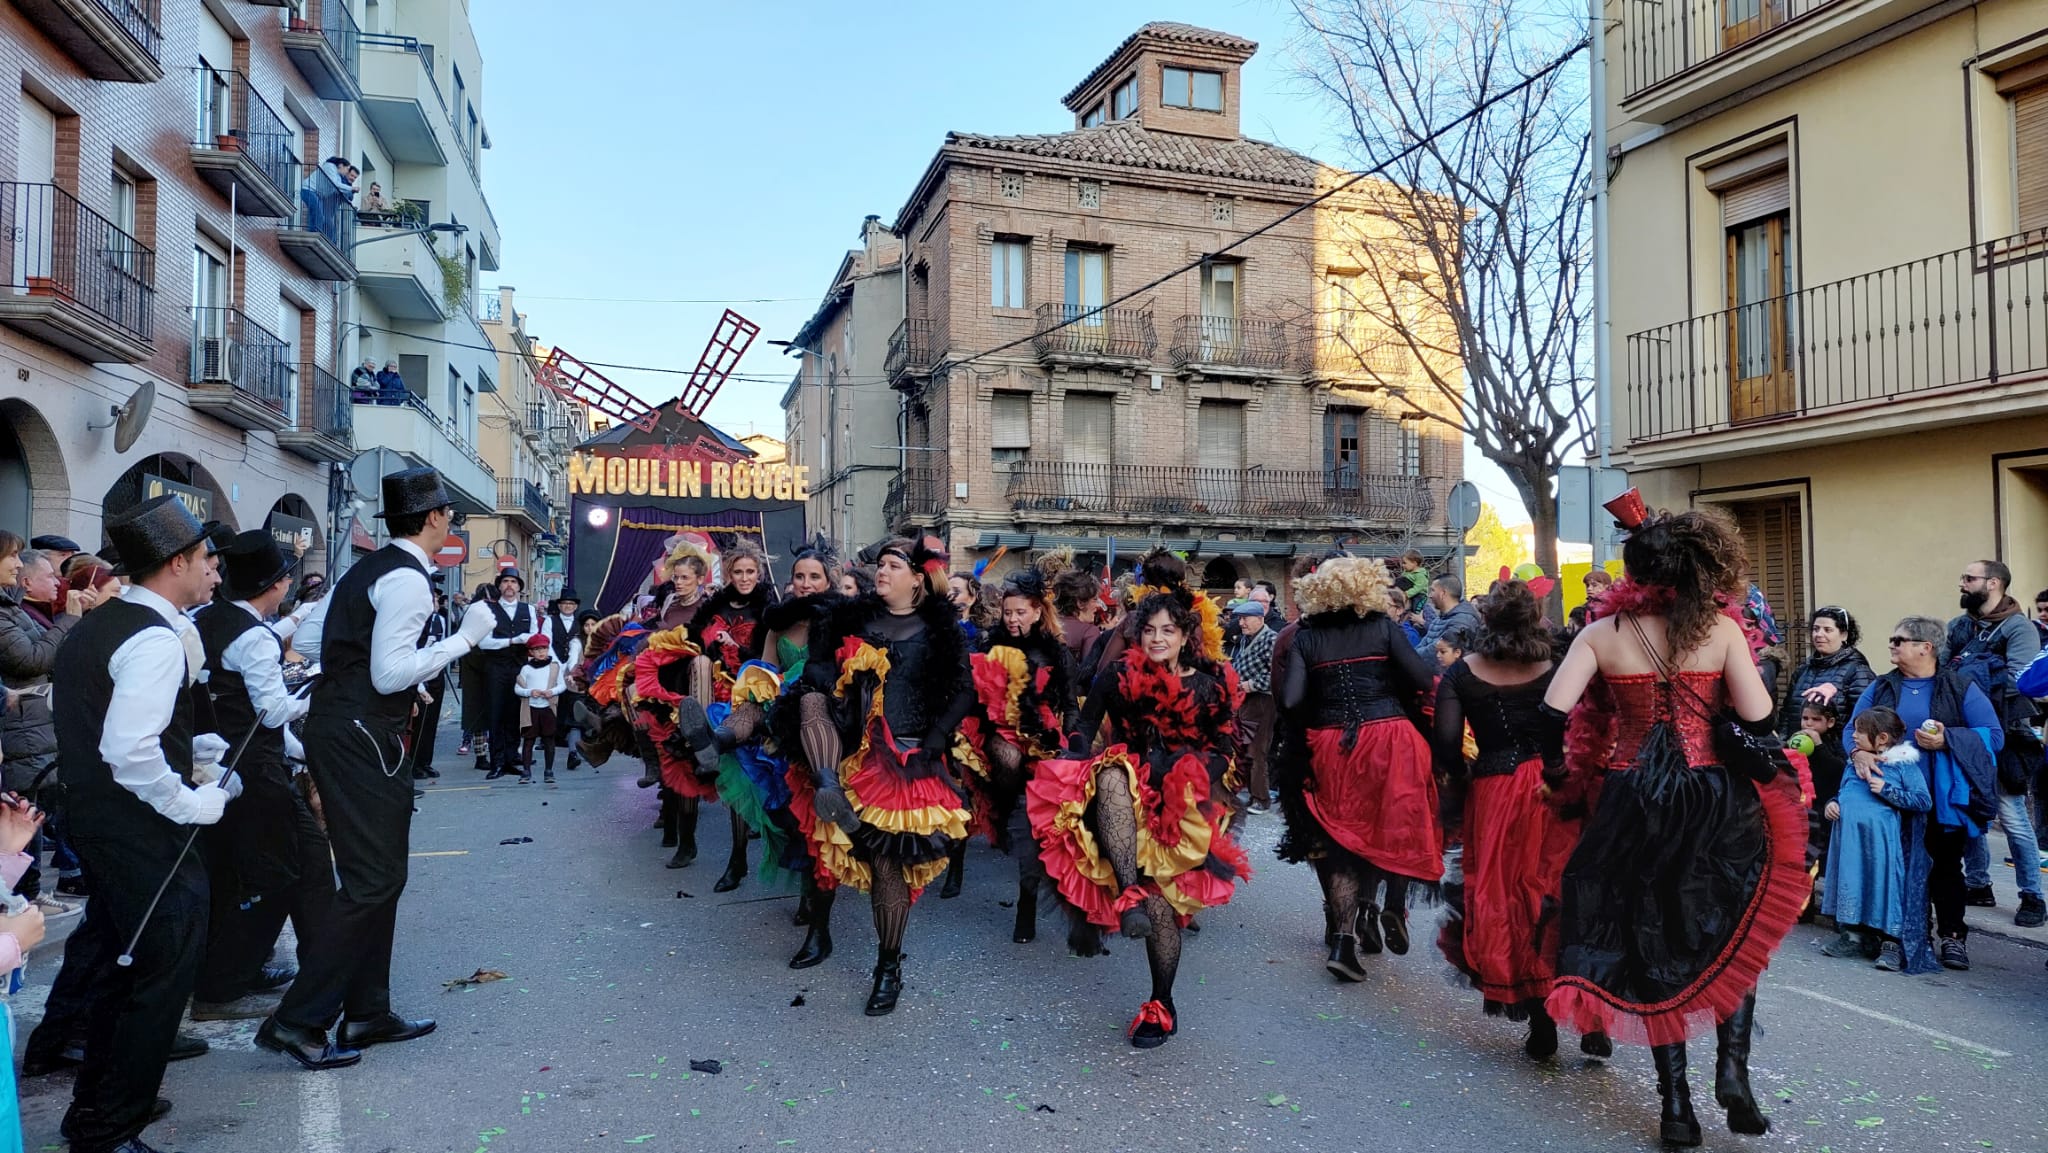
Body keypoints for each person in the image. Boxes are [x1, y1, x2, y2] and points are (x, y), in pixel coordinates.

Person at [1539, 499, 1808, 1146]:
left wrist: (1565, 766)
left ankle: (1677, 1107)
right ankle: (1733, 1073)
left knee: (1651, 939)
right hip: (1716, 797)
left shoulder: (1600, 634)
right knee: (1731, 934)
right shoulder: (1719, 631)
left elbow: (1550, 711)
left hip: (1633, 800)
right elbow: (1761, 716)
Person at [258, 468, 496, 1071]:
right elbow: (390, 673)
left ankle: (367, 1010)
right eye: (449, 514)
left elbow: (315, 643)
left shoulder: (365, 571)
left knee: (377, 877)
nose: (451, 522)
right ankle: (298, 1020)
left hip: (347, 727)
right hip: (364, 734)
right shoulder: (408, 580)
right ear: (436, 519)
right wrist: (464, 639)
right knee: (372, 880)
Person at [51, 496, 227, 1153]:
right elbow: (127, 751)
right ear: (176, 562)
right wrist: (189, 802)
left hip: (100, 817)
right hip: (137, 824)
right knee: (157, 973)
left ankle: (102, 1104)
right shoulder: (150, 636)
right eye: (206, 559)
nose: (213, 571)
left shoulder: (104, 624)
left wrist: (197, 758)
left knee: (124, 970)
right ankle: (106, 1126)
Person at [1030, 587, 1249, 1048]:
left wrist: (1191, 782)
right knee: (1110, 771)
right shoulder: (1116, 674)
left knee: (1163, 905)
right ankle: (1127, 891)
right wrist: (1071, 751)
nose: (1156, 638)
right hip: (1121, 798)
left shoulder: (1208, 683)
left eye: (1167, 630)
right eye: (1148, 630)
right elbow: (1087, 726)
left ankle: (1161, 1002)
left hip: (1182, 803)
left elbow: (1223, 748)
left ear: (1186, 633)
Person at [784, 536, 971, 1015]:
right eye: (880, 565)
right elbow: (818, 672)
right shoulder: (849, 616)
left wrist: (934, 742)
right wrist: (836, 680)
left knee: (888, 865)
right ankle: (819, 929)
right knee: (826, 842)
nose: (881, 572)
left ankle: (888, 968)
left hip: (901, 757)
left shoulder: (938, 630)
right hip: (843, 745)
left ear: (917, 577)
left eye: (892, 565)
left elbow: (963, 692)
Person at [1432, 580, 1601, 1060]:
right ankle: (1591, 1018)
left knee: (1509, 900)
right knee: (1562, 895)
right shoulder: (1558, 666)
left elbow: (1445, 744)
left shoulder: (1463, 673)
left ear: (1485, 621)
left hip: (1493, 789)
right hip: (1554, 786)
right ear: (1535, 617)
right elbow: (1585, 726)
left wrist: (1466, 775)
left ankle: (1541, 1023)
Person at [1273, 557, 1438, 980]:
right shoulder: (1383, 628)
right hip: (1391, 738)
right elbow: (1421, 677)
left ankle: (1344, 940)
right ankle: (1391, 905)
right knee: (1395, 827)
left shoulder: (1307, 639)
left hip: (1332, 744)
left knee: (1342, 840)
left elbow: (1290, 701)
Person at [190, 531, 324, 1019]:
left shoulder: (203, 620)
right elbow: (270, 712)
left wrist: (301, 752)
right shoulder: (253, 638)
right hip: (253, 771)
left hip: (218, 762)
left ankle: (291, 967)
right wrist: (316, 692)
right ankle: (222, 986)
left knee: (249, 873)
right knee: (278, 874)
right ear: (277, 584)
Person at [1846, 616, 2001, 973]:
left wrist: (1949, 739)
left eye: (1899, 640)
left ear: (1925, 647)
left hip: (1944, 798)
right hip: (1891, 796)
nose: (1891, 645)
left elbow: (1994, 736)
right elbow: (1851, 731)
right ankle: (1897, 935)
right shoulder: (1882, 686)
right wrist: (1859, 752)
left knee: (1946, 868)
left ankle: (1952, 937)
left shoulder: (1960, 687)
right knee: (1896, 867)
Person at [954, 563, 1077, 943]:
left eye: (1020, 612)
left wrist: (1074, 740)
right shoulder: (991, 644)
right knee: (1008, 762)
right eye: (1007, 612)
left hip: (1042, 738)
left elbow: (1070, 704)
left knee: (1037, 820)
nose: (1012, 619)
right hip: (995, 736)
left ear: (1038, 611)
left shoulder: (1056, 653)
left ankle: (1027, 907)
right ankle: (1003, 811)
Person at [1947, 559, 2045, 928]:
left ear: (1993, 584)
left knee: (2013, 818)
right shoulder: (1960, 626)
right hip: (1964, 732)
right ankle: (1978, 883)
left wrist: (1976, 671)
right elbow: (1944, 671)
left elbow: (2022, 681)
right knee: (1969, 811)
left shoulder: (2019, 628)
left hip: (2006, 735)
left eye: (1968, 578)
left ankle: (2032, 896)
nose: (1961, 583)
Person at [0, 537, 95, 909]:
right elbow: (32, 659)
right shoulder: (8, 612)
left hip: (30, 727)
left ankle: (27, 894)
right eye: (9, 556)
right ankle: (20, 896)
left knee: (29, 809)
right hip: (20, 729)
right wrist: (69, 619)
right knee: (22, 808)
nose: (17, 564)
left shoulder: (14, 609)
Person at [689, 541, 773, 891]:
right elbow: (693, 638)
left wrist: (736, 646)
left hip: (757, 697)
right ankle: (737, 860)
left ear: (759, 573)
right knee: (736, 782)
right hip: (722, 699)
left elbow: (770, 656)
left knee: (768, 787)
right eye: (738, 572)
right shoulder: (714, 605)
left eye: (750, 572)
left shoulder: (770, 607)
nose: (744, 578)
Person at [1820, 706, 1931, 971]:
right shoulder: (1855, 762)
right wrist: (1833, 803)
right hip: (1849, 841)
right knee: (1852, 882)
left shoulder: (1903, 764)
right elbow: (1845, 789)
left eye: (1860, 731)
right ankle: (1854, 936)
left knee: (1883, 886)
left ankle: (1890, 943)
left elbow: (1922, 801)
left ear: (1881, 738)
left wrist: (1887, 790)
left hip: (1881, 844)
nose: (1854, 736)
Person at [469, 570, 540, 781]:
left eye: (513, 582)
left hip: (519, 667)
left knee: (515, 714)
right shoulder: (489, 609)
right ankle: (496, 761)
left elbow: (535, 637)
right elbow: (484, 642)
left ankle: (511, 758)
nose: (509, 585)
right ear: (499, 586)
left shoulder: (528, 609)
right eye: (506, 581)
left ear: (519, 587)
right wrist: (512, 640)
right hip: (496, 667)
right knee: (496, 714)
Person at [1776, 606, 1875, 737]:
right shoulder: (1803, 669)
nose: (1819, 634)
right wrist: (1783, 744)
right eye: (1815, 629)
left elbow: (1864, 718)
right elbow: (1787, 714)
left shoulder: (1857, 671)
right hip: (1798, 751)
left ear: (1844, 634)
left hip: (1836, 753)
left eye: (1827, 630)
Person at [1231, 599, 1277, 814]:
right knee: (1244, 748)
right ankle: (1251, 793)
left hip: (1262, 700)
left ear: (1260, 618)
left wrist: (1250, 684)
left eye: (1246, 618)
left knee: (1257, 749)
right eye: (1240, 618)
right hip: (1244, 700)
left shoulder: (1271, 639)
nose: (1241, 622)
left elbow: (1276, 674)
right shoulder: (1244, 639)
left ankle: (1261, 798)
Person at [406, 587, 451, 781]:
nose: (434, 602)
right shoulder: (414, 622)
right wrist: (420, 686)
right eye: (431, 598)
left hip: (435, 674)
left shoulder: (439, 620)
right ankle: (413, 763)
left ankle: (425, 761)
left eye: (436, 599)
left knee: (431, 722)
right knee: (417, 723)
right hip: (418, 676)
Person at [513, 635, 565, 784]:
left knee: (549, 739)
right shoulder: (526, 669)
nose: (541, 652)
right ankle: (526, 770)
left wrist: (552, 692)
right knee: (528, 740)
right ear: (531, 652)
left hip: (548, 708)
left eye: (544, 648)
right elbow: (517, 688)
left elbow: (562, 685)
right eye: (537, 649)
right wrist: (529, 692)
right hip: (531, 709)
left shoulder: (554, 667)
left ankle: (549, 770)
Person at [543, 589, 585, 770]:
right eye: (564, 603)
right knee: (552, 704)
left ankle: (572, 743)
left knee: (572, 704)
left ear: (575, 606)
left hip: (574, 671)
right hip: (554, 666)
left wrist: (571, 666)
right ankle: (551, 737)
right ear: (559, 605)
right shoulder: (549, 621)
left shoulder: (579, 623)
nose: (567, 606)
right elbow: (547, 642)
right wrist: (558, 664)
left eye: (571, 604)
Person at [1412, 575, 1478, 660]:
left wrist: (1410, 658)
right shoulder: (1439, 619)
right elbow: (1424, 643)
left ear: (1443, 593)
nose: (1430, 595)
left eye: (1432, 590)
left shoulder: (1462, 621)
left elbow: (1435, 651)